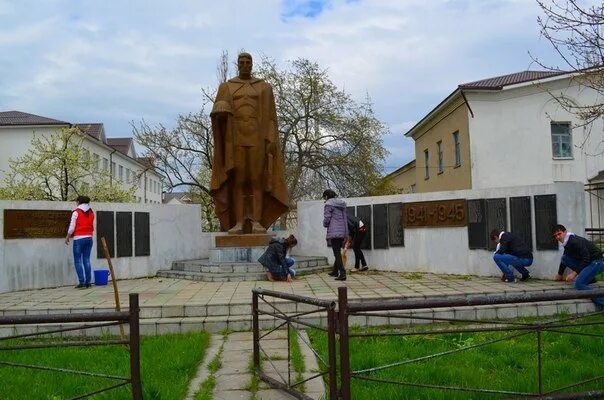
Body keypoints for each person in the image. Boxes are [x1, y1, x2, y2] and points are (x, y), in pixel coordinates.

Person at [210, 52, 288, 234]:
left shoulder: (263, 87)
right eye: (242, 62)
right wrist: (219, 113)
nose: (245, 65)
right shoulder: (227, 87)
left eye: (248, 62)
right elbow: (218, 113)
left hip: (257, 139)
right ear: (237, 64)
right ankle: (238, 222)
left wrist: (270, 140)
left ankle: (255, 221)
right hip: (235, 140)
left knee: (256, 180)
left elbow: (270, 117)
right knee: (238, 181)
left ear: (252, 64)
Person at [553, 224, 604, 306]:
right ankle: (590, 279)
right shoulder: (567, 242)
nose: (558, 237)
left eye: (559, 234)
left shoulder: (574, 241)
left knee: (578, 284)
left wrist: (574, 273)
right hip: (590, 263)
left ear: (565, 232)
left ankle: (602, 300)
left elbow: (586, 258)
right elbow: (564, 260)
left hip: (597, 262)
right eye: (555, 236)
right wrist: (559, 274)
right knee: (564, 258)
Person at [65, 195, 94, 289]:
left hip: (79, 239)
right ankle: (88, 282)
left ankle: (81, 282)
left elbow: (72, 227)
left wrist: (68, 236)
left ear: (78, 202)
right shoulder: (91, 212)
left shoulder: (76, 212)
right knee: (87, 260)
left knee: (78, 261)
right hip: (89, 238)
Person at [323, 189, 348, 281]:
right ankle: (335, 271)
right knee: (337, 252)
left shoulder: (328, 204)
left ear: (326, 196)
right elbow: (345, 219)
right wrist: (346, 233)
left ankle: (342, 273)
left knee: (336, 253)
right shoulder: (342, 204)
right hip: (342, 232)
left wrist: (325, 224)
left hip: (334, 232)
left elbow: (327, 218)